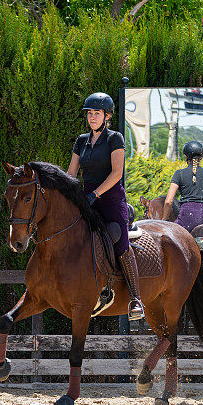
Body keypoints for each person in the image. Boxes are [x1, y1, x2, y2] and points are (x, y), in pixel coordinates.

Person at [67, 92, 144, 321]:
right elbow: (72, 173)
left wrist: (96, 194)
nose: (92, 117)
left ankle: (135, 299)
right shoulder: (81, 140)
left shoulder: (115, 138)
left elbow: (117, 173)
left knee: (120, 243)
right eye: (89, 113)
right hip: (86, 198)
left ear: (107, 116)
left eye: (96, 114)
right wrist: (66, 193)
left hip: (111, 199)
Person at [163, 141, 203, 233]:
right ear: (201, 157)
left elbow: (168, 201)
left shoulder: (179, 173)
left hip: (187, 217)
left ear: (186, 157)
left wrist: (164, 219)